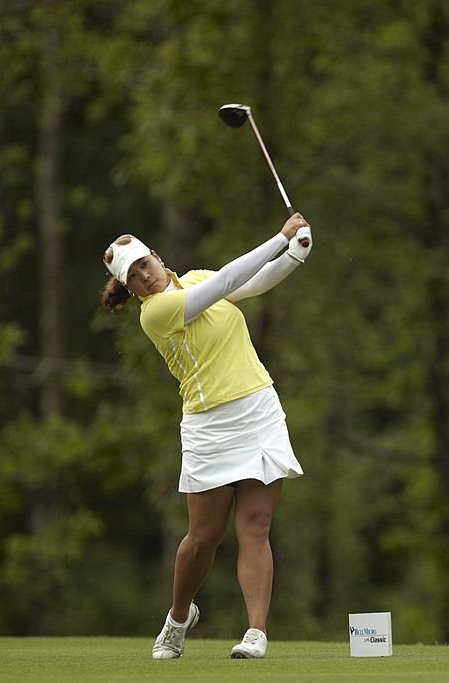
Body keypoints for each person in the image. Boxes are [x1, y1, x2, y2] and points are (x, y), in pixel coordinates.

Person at [100, 213, 313, 660]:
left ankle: (256, 632)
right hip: (208, 425)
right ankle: (178, 618)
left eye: (144, 264)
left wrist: (294, 256)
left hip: (258, 410)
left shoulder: (193, 277)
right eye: (133, 276)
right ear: (129, 288)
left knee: (255, 525)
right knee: (203, 538)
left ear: (156, 256)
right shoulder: (155, 313)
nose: (143, 275)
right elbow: (223, 285)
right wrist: (279, 236)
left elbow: (248, 284)